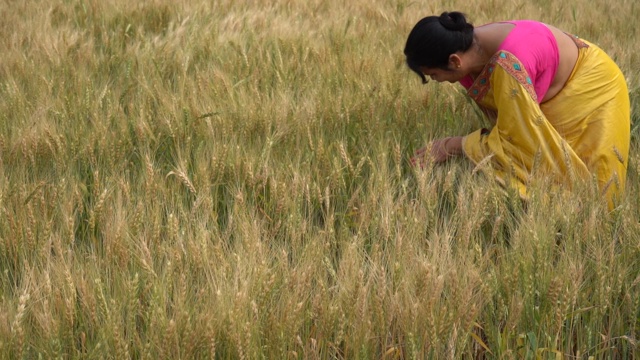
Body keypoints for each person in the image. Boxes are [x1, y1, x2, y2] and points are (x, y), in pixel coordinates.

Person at [405, 12, 630, 209]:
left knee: (593, 197)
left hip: (594, 90)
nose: (437, 81)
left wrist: (455, 145)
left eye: (434, 75)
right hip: (559, 85)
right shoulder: (470, 47)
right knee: (557, 182)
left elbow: (516, 140)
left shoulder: (508, 64)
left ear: (454, 61)